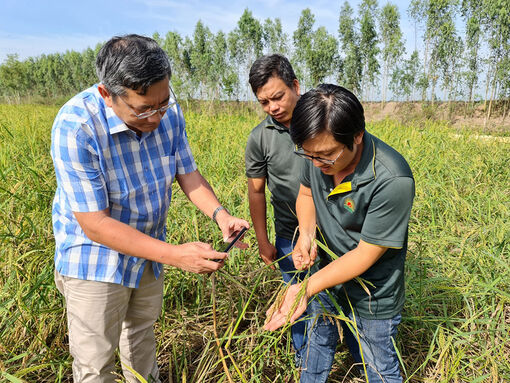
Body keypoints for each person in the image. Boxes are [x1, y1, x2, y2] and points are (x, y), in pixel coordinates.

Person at [51, 34, 249, 383]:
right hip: (94, 259)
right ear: (107, 95)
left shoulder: (167, 111)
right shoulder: (77, 127)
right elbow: (95, 223)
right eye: (143, 109)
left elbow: (186, 172)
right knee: (96, 365)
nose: (156, 117)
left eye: (162, 103)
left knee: (141, 344)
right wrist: (174, 255)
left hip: (149, 252)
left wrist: (221, 215)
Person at [264, 84, 415, 383]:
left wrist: (304, 289)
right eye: (309, 156)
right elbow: (306, 195)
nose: (318, 164)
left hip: (374, 291)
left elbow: (364, 254)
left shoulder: (392, 178)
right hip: (326, 275)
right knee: (316, 346)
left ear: (356, 136)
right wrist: (305, 235)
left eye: (326, 156)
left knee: (378, 364)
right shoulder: (316, 154)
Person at [244, 54, 307, 361]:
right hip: (289, 234)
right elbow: (255, 192)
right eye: (264, 102)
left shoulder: (322, 119)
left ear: (295, 85)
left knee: (343, 296)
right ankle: (304, 362)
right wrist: (263, 240)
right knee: (294, 300)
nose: (273, 108)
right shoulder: (260, 138)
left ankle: (355, 357)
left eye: (278, 97)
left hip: (333, 232)